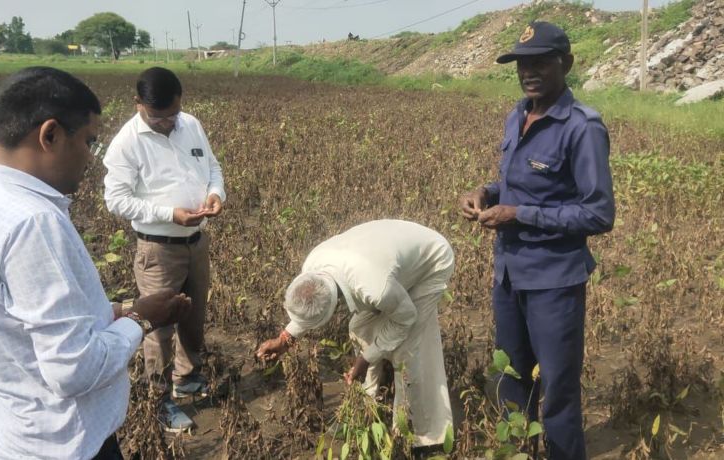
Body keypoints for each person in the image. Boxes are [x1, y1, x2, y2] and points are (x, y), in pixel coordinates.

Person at [0, 67, 188, 460]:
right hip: (60, 445)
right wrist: (141, 319)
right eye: (88, 141)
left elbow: (16, 322)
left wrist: (116, 311)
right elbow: (74, 369)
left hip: (1, 436)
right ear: (51, 135)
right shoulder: (34, 223)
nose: (91, 158)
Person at [459, 22, 615, 460]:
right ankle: (520, 452)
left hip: (554, 281)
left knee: (558, 389)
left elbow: (598, 213)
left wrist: (519, 214)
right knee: (511, 378)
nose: (528, 72)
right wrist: (486, 193)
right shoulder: (518, 114)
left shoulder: (582, 127)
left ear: (566, 63)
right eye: (522, 64)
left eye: (540, 62)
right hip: (509, 274)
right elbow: (519, 184)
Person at [257, 220, 455, 449]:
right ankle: (365, 407)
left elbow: (406, 318)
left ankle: (417, 435)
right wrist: (285, 339)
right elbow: (309, 306)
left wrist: (366, 358)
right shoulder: (312, 266)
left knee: (406, 352)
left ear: (333, 307)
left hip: (432, 259)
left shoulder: (375, 288)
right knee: (360, 328)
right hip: (387, 254)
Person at [102, 67, 226, 431]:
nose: (168, 123)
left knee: (193, 315)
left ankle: (187, 377)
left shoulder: (191, 124)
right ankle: (159, 400)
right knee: (158, 328)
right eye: (159, 118)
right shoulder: (126, 143)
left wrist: (215, 193)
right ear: (138, 104)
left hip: (196, 242)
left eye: (174, 114)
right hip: (158, 249)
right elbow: (116, 200)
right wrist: (170, 214)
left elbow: (212, 167)